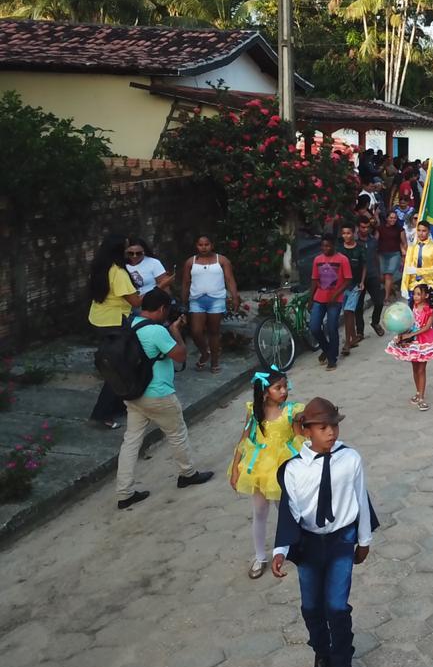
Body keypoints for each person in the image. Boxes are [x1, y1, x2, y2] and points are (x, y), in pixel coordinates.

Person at [271, 398, 378, 667]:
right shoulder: (292, 469)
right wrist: (281, 549)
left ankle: (343, 665)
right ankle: (322, 655)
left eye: (334, 425)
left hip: (342, 540)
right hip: (308, 544)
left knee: (336, 607)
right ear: (306, 431)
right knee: (311, 607)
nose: (330, 432)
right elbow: (289, 513)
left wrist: (365, 539)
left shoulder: (350, 459)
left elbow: (361, 497)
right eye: (322, 427)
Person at [114, 288, 215, 509]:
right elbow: (180, 355)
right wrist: (175, 331)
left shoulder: (130, 325)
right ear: (162, 309)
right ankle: (188, 474)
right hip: (158, 394)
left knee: (131, 442)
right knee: (177, 433)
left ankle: (124, 492)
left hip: (134, 394)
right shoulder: (156, 331)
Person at [227, 368, 303, 577]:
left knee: (287, 510)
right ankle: (260, 557)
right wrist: (235, 469)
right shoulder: (253, 412)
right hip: (260, 469)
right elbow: (244, 440)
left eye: (285, 386)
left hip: (284, 468)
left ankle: (293, 548)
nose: (284, 391)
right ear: (264, 391)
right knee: (259, 512)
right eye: (278, 387)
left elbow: (299, 440)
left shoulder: (291, 412)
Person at [88, 233, 142, 428]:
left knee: (117, 361)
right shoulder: (118, 272)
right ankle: (101, 415)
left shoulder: (100, 268)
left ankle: (119, 405)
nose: (130, 252)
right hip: (114, 323)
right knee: (118, 367)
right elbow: (135, 301)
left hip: (99, 319)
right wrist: (159, 288)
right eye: (127, 248)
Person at [180, 235, 240, 374]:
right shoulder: (191, 262)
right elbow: (185, 282)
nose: (204, 247)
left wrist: (235, 297)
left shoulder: (222, 260)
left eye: (206, 244)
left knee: (214, 332)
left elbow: (229, 279)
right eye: (201, 245)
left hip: (216, 299)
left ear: (212, 245)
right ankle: (204, 352)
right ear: (196, 246)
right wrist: (183, 302)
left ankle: (214, 361)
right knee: (196, 331)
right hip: (196, 300)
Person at [385, 283, 433, 410]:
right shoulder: (411, 307)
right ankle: (417, 392)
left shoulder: (429, 310)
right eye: (414, 294)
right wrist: (402, 334)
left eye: (419, 294)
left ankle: (421, 397)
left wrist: (413, 334)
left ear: (426, 296)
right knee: (415, 368)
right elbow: (406, 322)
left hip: (423, 341)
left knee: (421, 369)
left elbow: (427, 327)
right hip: (411, 340)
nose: (415, 297)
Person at [309, 234, 352, 372]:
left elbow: (347, 280)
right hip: (319, 297)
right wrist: (310, 299)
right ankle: (327, 349)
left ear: (333, 245)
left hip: (335, 299)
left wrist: (336, 293)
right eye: (323, 246)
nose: (325, 248)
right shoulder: (317, 259)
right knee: (314, 327)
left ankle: (332, 359)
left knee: (332, 328)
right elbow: (315, 279)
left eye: (328, 246)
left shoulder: (342, 259)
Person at [337, 224, 367, 357]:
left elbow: (364, 265)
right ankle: (353, 337)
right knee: (347, 311)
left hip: (355, 284)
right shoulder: (339, 249)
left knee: (349, 311)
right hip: (342, 285)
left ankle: (347, 344)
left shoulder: (360, 248)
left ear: (353, 233)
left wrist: (362, 281)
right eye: (344, 233)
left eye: (348, 233)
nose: (346, 236)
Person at [400, 220, 433, 311]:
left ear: (429, 231)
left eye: (424, 231)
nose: (421, 233)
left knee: (428, 313)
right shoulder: (412, 246)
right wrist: (403, 286)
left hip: (430, 284)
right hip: (413, 284)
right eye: (419, 230)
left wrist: (418, 271)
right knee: (413, 313)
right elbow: (407, 266)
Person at [353, 216, 384, 339]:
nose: (365, 229)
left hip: (372, 275)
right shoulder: (354, 242)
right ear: (358, 227)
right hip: (358, 278)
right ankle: (360, 331)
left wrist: (379, 272)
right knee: (358, 306)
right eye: (362, 227)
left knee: (379, 302)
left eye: (367, 227)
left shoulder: (373, 241)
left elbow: (376, 256)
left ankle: (375, 322)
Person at [376, 207, 407, 303]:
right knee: (381, 276)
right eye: (391, 217)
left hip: (394, 254)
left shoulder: (399, 229)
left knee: (388, 275)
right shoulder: (380, 228)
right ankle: (392, 287)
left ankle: (386, 298)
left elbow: (404, 242)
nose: (393, 220)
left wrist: (403, 255)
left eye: (394, 218)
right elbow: (375, 240)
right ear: (387, 218)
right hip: (382, 253)